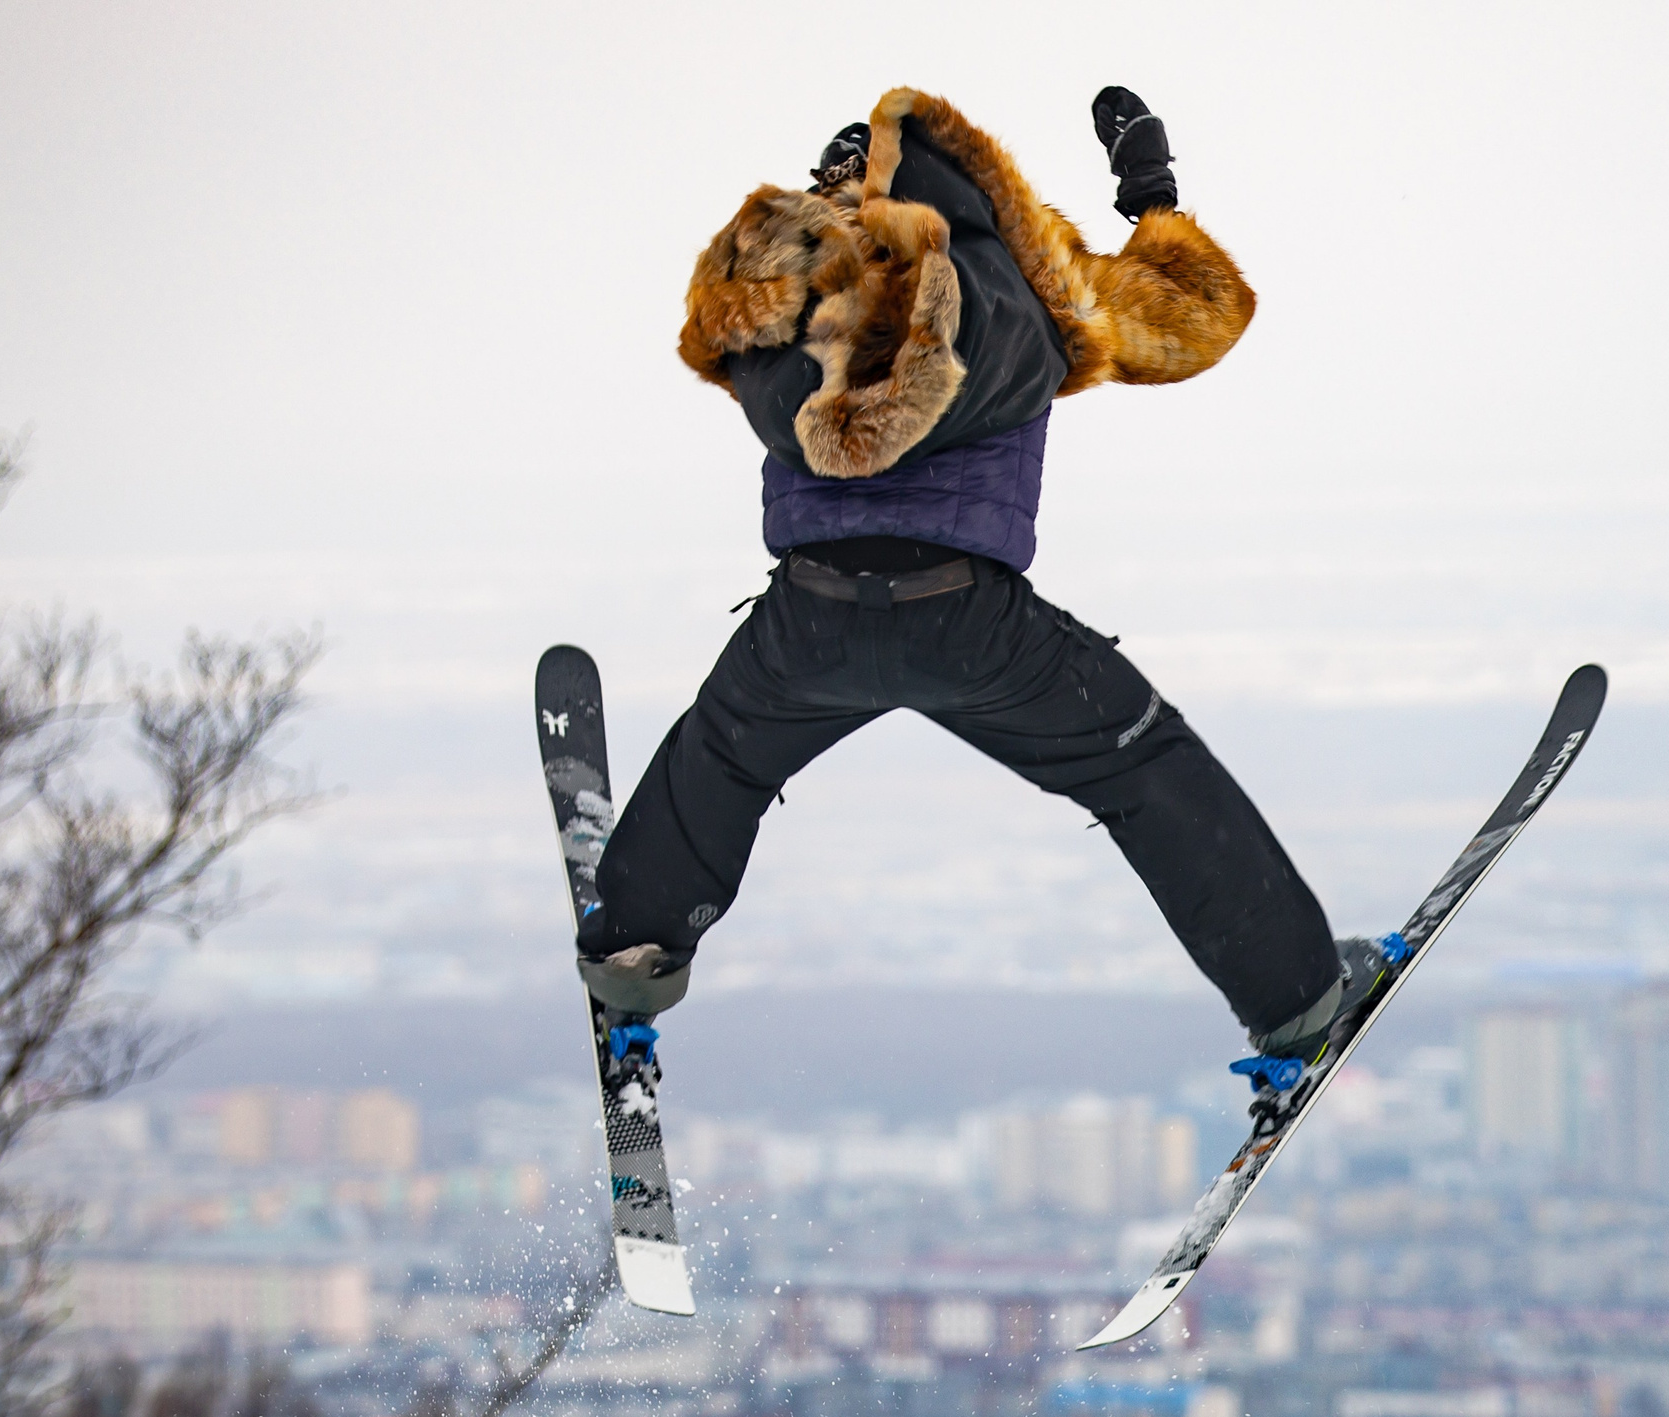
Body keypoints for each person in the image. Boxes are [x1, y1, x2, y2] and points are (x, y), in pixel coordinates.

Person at [578, 86, 1391, 1075]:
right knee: (1146, 770)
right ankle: (1299, 1001)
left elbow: (723, 350)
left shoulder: (779, 282)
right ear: (978, 187)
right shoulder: (1027, 283)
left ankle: (633, 952)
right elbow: (1194, 324)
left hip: (810, 614)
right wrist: (1151, 200)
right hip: (973, 619)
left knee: (718, 763)